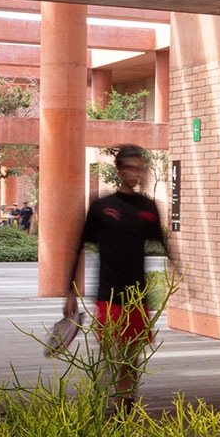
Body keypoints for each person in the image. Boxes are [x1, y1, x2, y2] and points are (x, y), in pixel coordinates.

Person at [64, 145, 175, 401]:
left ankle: (125, 411)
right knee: (111, 358)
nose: (137, 173)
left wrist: (179, 273)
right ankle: (105, 411)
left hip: (138, 297)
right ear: (120, 171)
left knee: (131, 361)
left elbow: (165, 247)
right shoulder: (102, 207)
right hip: (108, 296)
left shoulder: (148, 208)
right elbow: (79, 246)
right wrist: (70, 291)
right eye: (132, 168)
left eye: (141, 168)